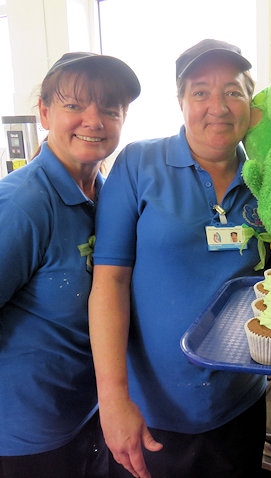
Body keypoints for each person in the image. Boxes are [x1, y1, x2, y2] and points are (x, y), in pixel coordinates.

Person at [88, 39, 269, 478]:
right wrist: (112, 402)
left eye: (233, 91)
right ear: (181, 101)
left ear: (252, 102)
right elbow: (109, 283)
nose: (218, 106)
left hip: (239, 405)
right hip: (150, 411)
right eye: (201, 91)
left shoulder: (266, 179)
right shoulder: (138, 165)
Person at [0, 52, 140, 477]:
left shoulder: (108, 195)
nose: (94, 120)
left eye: (110, 108)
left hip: (87, 415)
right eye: (74, 105)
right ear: (44, 112)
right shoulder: (23, 205)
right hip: (26, 437)